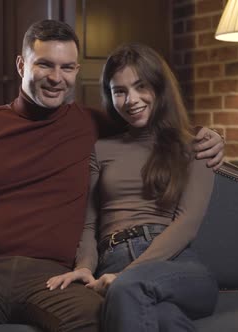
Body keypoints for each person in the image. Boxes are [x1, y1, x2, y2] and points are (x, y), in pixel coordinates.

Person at [0, 20, 223, 332]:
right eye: (45, 64)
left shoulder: (90, 124)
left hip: (53, 276)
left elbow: (150, 124)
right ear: (22, 65)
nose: (56, 77)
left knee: (109, 317)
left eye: (67, 67)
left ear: (77, 70)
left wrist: (206, 136)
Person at [46, 43, 218, 332]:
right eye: (119, 91)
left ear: (160, 88)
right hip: (112, 260)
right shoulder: (101, 149)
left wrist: (127, 275)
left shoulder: (197, 145)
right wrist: (85, 267)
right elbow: (89, 224)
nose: (131, 100)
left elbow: (187, 224)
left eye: (141, 87)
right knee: (164, 319)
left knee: (128, 290)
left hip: (176, 265)